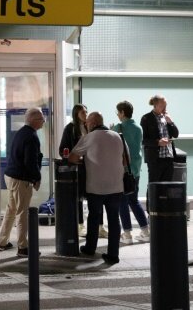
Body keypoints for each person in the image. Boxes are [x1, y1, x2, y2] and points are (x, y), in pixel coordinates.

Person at [69, 111, 124, 265]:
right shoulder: (117, 136)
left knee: (94, 217)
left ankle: (90, 248)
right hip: (116, 185)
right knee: (114, 220)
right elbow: (125, 161)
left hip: (96, 186)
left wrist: (86, 159)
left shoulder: (88, 137)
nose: (86, 125)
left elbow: (72, 157)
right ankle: (113, 254)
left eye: (87, 123)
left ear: (91, 123)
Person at [0, 107, 44, 257]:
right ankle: (23, 247)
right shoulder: (31, 136)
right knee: (22, 212)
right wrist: (36, 178)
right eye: (41, 119)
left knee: (11, 210)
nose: (43, 121)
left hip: (10, 176)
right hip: (20, 179)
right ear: (34, 120)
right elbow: (30, 162)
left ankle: (2, 242)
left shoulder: (21, 133)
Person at [112, 101, 149, 244]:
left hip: (122, 170)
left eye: (118, 112)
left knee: (122, 201)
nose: (118, 115)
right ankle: (145, 231)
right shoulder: (138, 127)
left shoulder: (118, 127)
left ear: (122, 112)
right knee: (134, 200)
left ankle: (127, 235)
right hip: (135, 169)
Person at [59, 104, 89, 237]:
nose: (85, 114)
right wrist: (72, 159)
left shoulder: (90, 127)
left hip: (91, 166)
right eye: (83, 112)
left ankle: (100, 226)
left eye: (86, 112)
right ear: (76, 114)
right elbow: (63, 149)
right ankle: (80, 224)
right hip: (78, 167)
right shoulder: (70, 128)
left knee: (95, 196)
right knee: (78, 197)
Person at [141, 94, 179, 188]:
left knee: (166, 189)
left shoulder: (166, 117)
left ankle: (164, 204)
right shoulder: (146, 118)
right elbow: (143, 140)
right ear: (155, 105)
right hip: (155, 159)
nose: (165, 107)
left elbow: (176, 134)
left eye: (166, 105)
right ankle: (151, 203)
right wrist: (158, 142)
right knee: (154, 187)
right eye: (163, 105)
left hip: (168, 157)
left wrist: (171, 122)